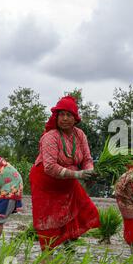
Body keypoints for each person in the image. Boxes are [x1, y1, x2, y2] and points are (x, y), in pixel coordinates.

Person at [30, 96, 100, 251]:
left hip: (67, 182)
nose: (65, 119)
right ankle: (47, 258)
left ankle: (68, 247)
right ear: (56, 117)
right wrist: (77, 175)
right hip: (46, 182)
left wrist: (89, 171)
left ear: (75, 118)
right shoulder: (50, 137)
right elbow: (49, 167)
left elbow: (87, 158)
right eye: (61, 115)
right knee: (49, 222)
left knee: (82, 211)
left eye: (69, 115)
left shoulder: (80, 135)